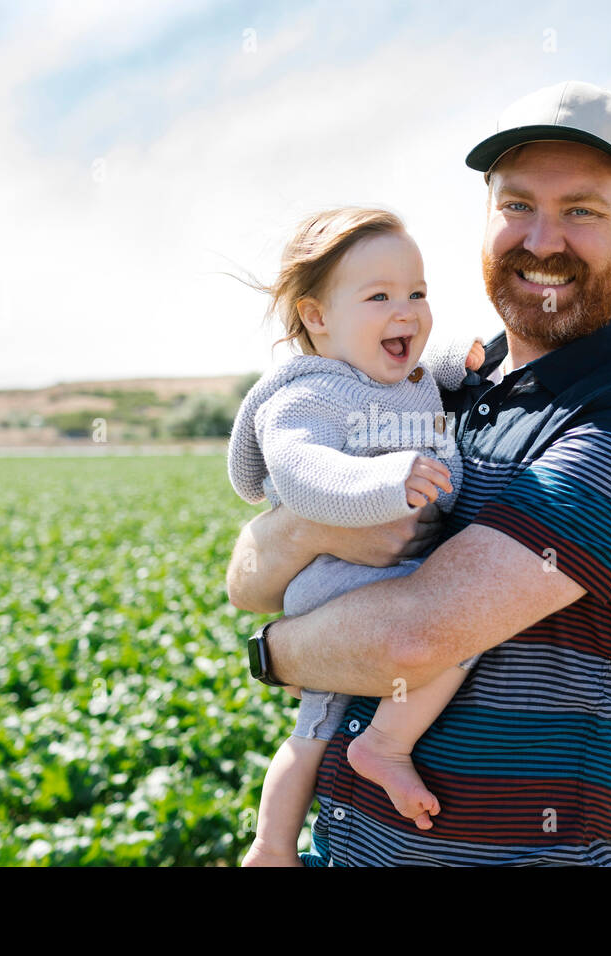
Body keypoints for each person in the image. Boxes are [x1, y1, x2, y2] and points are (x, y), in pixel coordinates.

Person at [230, 80, 611, 865]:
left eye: (582, 211)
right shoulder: (432, 383)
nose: (542, 239)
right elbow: (247, 578)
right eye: (517, 205)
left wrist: (270, 653)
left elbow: (414, 639)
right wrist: (309, 522)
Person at [226, 206, 486, 867]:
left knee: (310, 732)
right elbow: (304, 474)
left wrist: (465, 358)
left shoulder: (400, 376)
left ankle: (270, 846)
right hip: (338, 584)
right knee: (462, 635)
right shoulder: (308, 396)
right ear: (317, 317)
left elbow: (432, 379)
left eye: (418, 294)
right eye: (380, 297)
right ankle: (384, 748)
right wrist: (386, 482)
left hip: (374, 580)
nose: (407, 312)